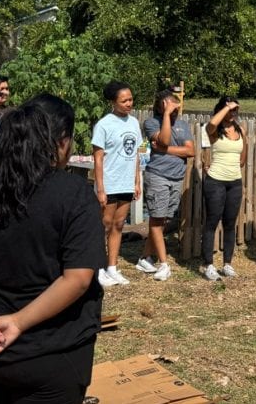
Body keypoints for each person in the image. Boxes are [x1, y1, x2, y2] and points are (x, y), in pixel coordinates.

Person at [0, 95, 106, 404]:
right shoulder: (74, 194)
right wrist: (18, 322)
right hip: (51, 355)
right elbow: (78, 277)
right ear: (61, 142)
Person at [136, 89, 194, 281]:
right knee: (157, 218)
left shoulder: (183, 125)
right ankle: (163, 263)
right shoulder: (151, 123)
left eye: (176, 106)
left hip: (176, 177)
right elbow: (165, 138)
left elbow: (190, 150)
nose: (176, 109)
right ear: (162, 106)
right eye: (171, 106)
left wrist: (164, 150)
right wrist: (167, 116)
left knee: (163, 220)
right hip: (158, 176)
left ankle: (145, 257)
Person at [91, 81, 142, 287]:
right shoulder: (104, 124)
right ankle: (98, 267)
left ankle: (112, 266)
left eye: (130, 99)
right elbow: (98, 158)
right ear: (113, 102)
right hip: (109, 183)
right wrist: (100, 188)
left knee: (119, 225)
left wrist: (137, 181)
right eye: (124, 100)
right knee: (104, 225)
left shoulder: (134, 123)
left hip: (126, 182)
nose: (129, 103)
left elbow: (137, 153)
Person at [201, 97, 247, 281]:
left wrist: (235, 167)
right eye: (229, 110)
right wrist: (226, 107)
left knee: (230, 223)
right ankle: (208, 265)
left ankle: (227, 263)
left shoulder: (241, 130)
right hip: (216, 182)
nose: (233, 113)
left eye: (235, 110)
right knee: (212, 221)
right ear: (222, 110)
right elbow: (212, 123)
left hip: (234, 182)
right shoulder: (214, 130)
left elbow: (242, 159)